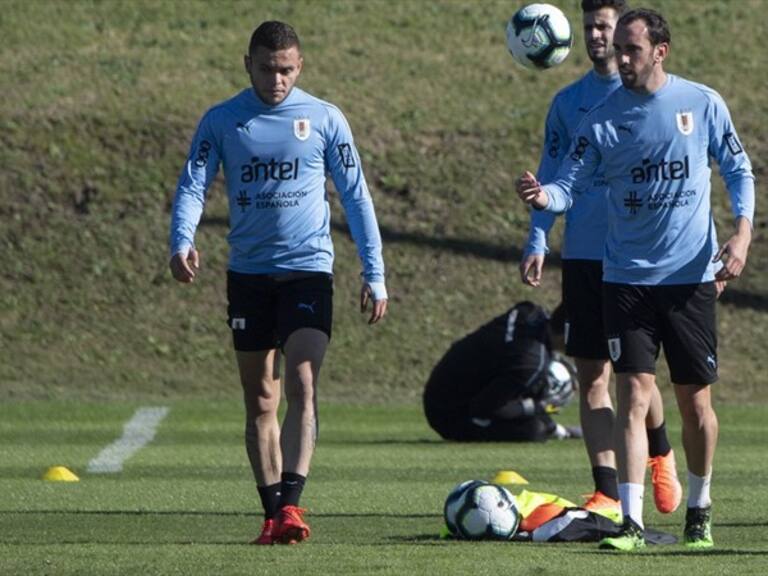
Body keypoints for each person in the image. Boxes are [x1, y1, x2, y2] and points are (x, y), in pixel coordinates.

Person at [516, 8, 755, 551]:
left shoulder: (701, 102)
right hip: (623, 278)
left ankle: (700, 510)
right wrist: (542, 198)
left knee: (696, 404)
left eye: (632, 49)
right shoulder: (599, 116)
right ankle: (630, 522)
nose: (621, 59)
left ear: (660, 51)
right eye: (618, 49)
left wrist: (741, 236)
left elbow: (738, 169)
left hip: (690, 278)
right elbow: (568, 184)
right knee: (631, 392)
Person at [168, 21, 388, 545]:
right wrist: (182, 240)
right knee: (261, 400)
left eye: (286, 69)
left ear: (301, 66)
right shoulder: (223, 120)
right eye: (267, 68)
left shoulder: (325, 119)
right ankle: (271, 516)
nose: (277, 79)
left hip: (308, 270)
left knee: (303, 381)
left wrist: (374, 272)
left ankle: (291, 506)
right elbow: (193, 183)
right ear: (248, 64)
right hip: (248, 276)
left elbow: (357, 197)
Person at [519, 0, 681, 521]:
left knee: (638, 375)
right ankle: (607, 490)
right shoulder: (568, 104)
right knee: (592, 372)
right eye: (588, 26)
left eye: (603, 26)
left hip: (637, 255)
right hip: (586, 255)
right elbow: (549, 174)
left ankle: (659, 451)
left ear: (622, 33)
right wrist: (538, 239)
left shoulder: (649, 97)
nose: (595, 35)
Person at [423, 302, 582, 443]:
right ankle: (559, 431)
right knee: (536, 429)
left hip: (443, 386)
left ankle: (559, 430)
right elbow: (485, 407)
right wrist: (538, 406)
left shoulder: (530, 312)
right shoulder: (531, 364)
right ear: (568, 334)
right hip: (450, 413)